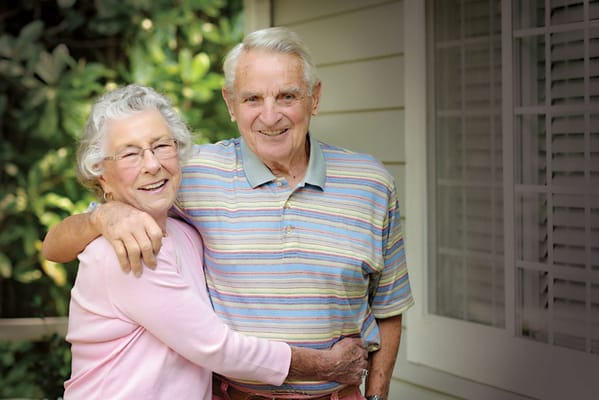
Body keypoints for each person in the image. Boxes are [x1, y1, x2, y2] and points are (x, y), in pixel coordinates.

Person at [44, 27, 414, 400]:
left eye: (287, 96)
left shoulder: (371, 183)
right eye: (252, 98)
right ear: (230, 103)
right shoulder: (185, 181)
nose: (270, 116)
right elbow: (57, 245)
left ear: (314, 98)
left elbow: (388, 306)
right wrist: (102, 217)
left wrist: (377, 395)